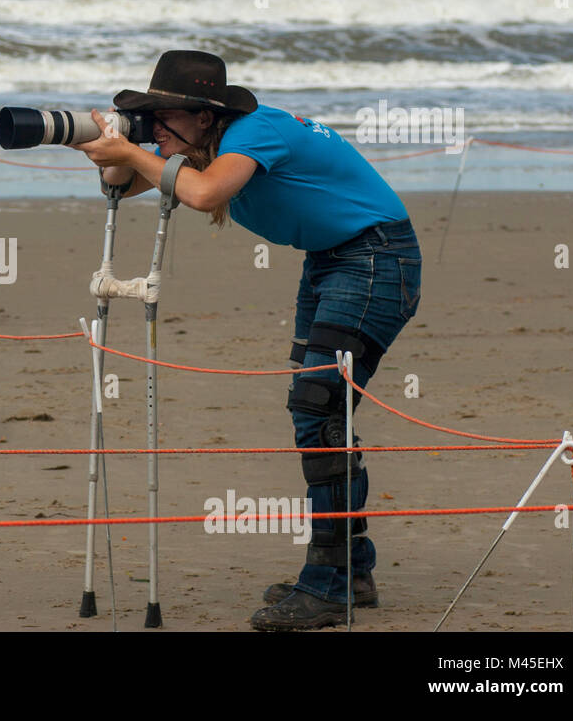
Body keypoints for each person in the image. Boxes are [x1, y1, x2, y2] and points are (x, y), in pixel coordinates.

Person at [70, 50, 422, 631]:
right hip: (333, 262)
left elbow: (205, 195)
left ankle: (330, 587)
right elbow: (124, 184)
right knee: (326, 413)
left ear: (206, 116)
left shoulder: (256, 131)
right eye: (149, 116)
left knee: (321, 409)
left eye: (165, 115)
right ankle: (351, 572)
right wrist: (104, 147)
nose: (156, 127)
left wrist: (133, 152)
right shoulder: (201, 145)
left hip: (376, 259)